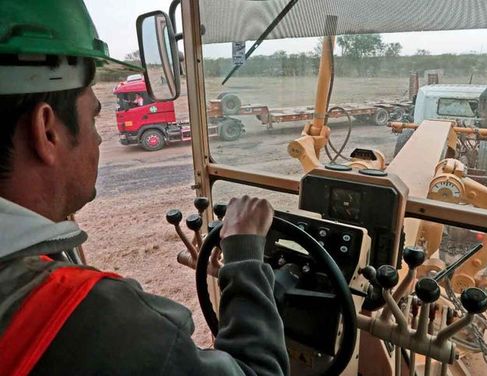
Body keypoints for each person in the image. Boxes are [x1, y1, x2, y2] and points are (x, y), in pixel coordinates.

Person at [0, 1, 289, 375]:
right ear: (47, 131)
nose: (100, 140)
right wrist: (246, 253)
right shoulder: (92, 319)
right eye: (94, 117)